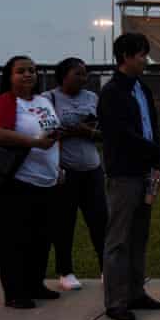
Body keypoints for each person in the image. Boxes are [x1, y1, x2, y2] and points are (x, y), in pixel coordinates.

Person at [98, 33, 160, 320]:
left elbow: (152, 127)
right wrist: (153, 152)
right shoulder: (113, 92)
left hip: (145, 171)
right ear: (126, 56)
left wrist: (156, 161)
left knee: (139, 236)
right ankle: (115, 301)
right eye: (142, 54)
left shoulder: (142, 89)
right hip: (124, 174)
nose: (146, 60)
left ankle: (136, 292)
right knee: (119, 239)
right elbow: (121, 135)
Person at [0, 56, 63, 309]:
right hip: (19, 182)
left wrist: (58, 164)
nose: (28, 75)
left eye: (32, 70)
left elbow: (51, 133)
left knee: (41, 238)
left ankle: (35, 284)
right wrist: (34, 143)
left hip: (48, 182)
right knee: (15, 240)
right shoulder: (7, 101)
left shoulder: (43, 100)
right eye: (21, 71)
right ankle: (15, 292)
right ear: (10, 76)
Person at [44, 57, 107, 291]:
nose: (83, 78)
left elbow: (103, 132)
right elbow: (48, 133)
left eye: (85, 74)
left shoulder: (92, 98)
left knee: (100, 221)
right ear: (63, 76)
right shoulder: (48, 99)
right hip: (64, 170)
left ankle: (106, 269)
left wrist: (81, 130)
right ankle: (65, 271)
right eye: (77, 74)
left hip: (92, 169)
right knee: (63, 222)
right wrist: (79, 129)